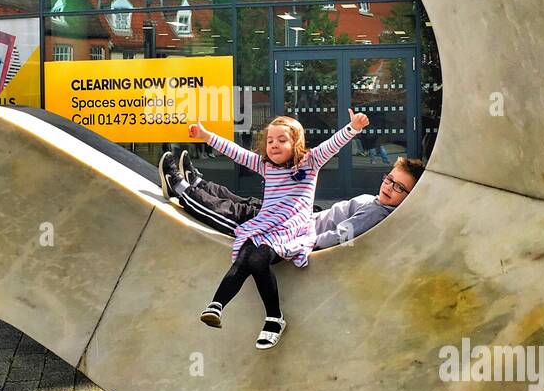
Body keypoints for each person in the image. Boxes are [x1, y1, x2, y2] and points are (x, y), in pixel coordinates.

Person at [188, 111, 367, 350]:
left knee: (259, 256)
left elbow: (333, 144)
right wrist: (205, 135)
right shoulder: (266, 165)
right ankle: (217, 304)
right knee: (246, 251)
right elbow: (236, 152)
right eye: (270, 140)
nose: (274, 145)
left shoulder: (310, 162)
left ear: (296, 143)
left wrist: (353, 127)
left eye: (282, 140)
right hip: (265, 224)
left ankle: (274, 318)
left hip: (292, 228)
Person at [160, 148, 422, 248]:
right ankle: (200, 183)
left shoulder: (378, 213)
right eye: (389, 179)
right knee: (250, 205)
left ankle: (182, 190)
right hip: (303, 216)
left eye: (399, 188)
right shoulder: (378, 203)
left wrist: (306, 244)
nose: (389, 187)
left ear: (409, 197)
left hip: (295, 231)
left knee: (240, 217)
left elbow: (342, 234)